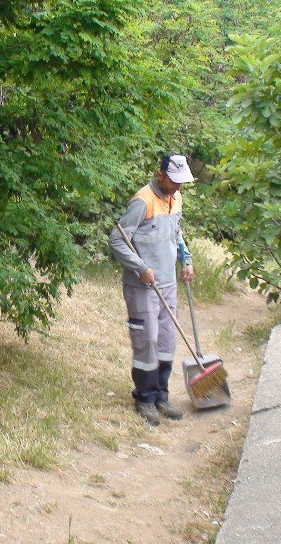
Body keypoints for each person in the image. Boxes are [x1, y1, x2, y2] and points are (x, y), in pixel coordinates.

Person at [108, 153, 196, 426]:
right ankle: (144, 399)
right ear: (160, 175)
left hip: (169, 283)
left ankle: (162, 395)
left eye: (182, 182)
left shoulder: (176, 198)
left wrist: (187, 258)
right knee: (148, 341)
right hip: (142, 285)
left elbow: (176, 232)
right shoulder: (142, 201)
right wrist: (140, 267)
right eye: (174, 181)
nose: (179, 187)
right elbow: (117, 240)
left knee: (167, 340)